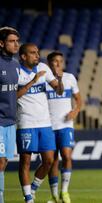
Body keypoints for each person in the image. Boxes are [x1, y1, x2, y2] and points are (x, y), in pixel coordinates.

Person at [16, 43, 64, 203]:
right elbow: (13, 96)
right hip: (26, 122)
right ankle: (28, 198)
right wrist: (33, 80)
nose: (37, 55)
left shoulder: (43, 67)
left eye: (37, 52)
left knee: (49, 160)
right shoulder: (16, 71)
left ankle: (34, 189)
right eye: (33, 53)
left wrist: (59, 79)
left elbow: (59, 90)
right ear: (23, 56)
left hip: (45, 123)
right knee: (25, 161)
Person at [46, 51, 82, 203]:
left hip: (66, 125)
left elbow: (79, 100)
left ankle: (64, 192)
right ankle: (54, 196)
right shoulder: (44, 79)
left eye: (61, 60)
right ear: (49, 64)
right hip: (48, 125)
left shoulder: (69, 78)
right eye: (55, 61)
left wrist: (75, 111)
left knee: (67, 156)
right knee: (52, 160)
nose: (59, 63)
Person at [0, 26, 20, 203]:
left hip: (11, 122)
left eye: (17, 41)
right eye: (12, 41)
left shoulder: (15, 65)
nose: (16, 44)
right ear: (1, 43)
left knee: (4, 162)